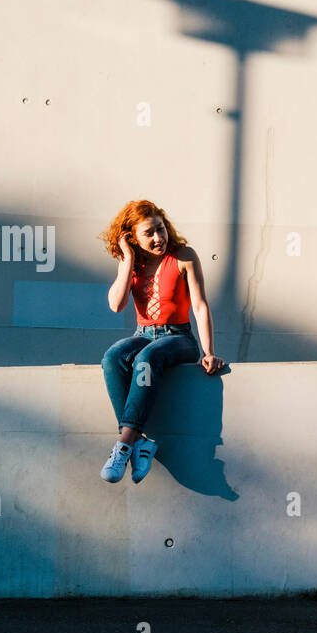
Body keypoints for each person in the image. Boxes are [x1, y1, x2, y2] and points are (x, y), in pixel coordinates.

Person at [98, 200, 226, 484]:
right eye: (149, 233)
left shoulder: (183, 256)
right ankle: (139, 441)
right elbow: (116, 305)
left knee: (147, 359)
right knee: (112, 358)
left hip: (178, 337)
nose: (158, 237)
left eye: (161, 229)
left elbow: (200, 306)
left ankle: (124, 444)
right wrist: (127, 259)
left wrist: (209, 352)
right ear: (133, 238)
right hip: (142, 335)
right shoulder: (132, 263)